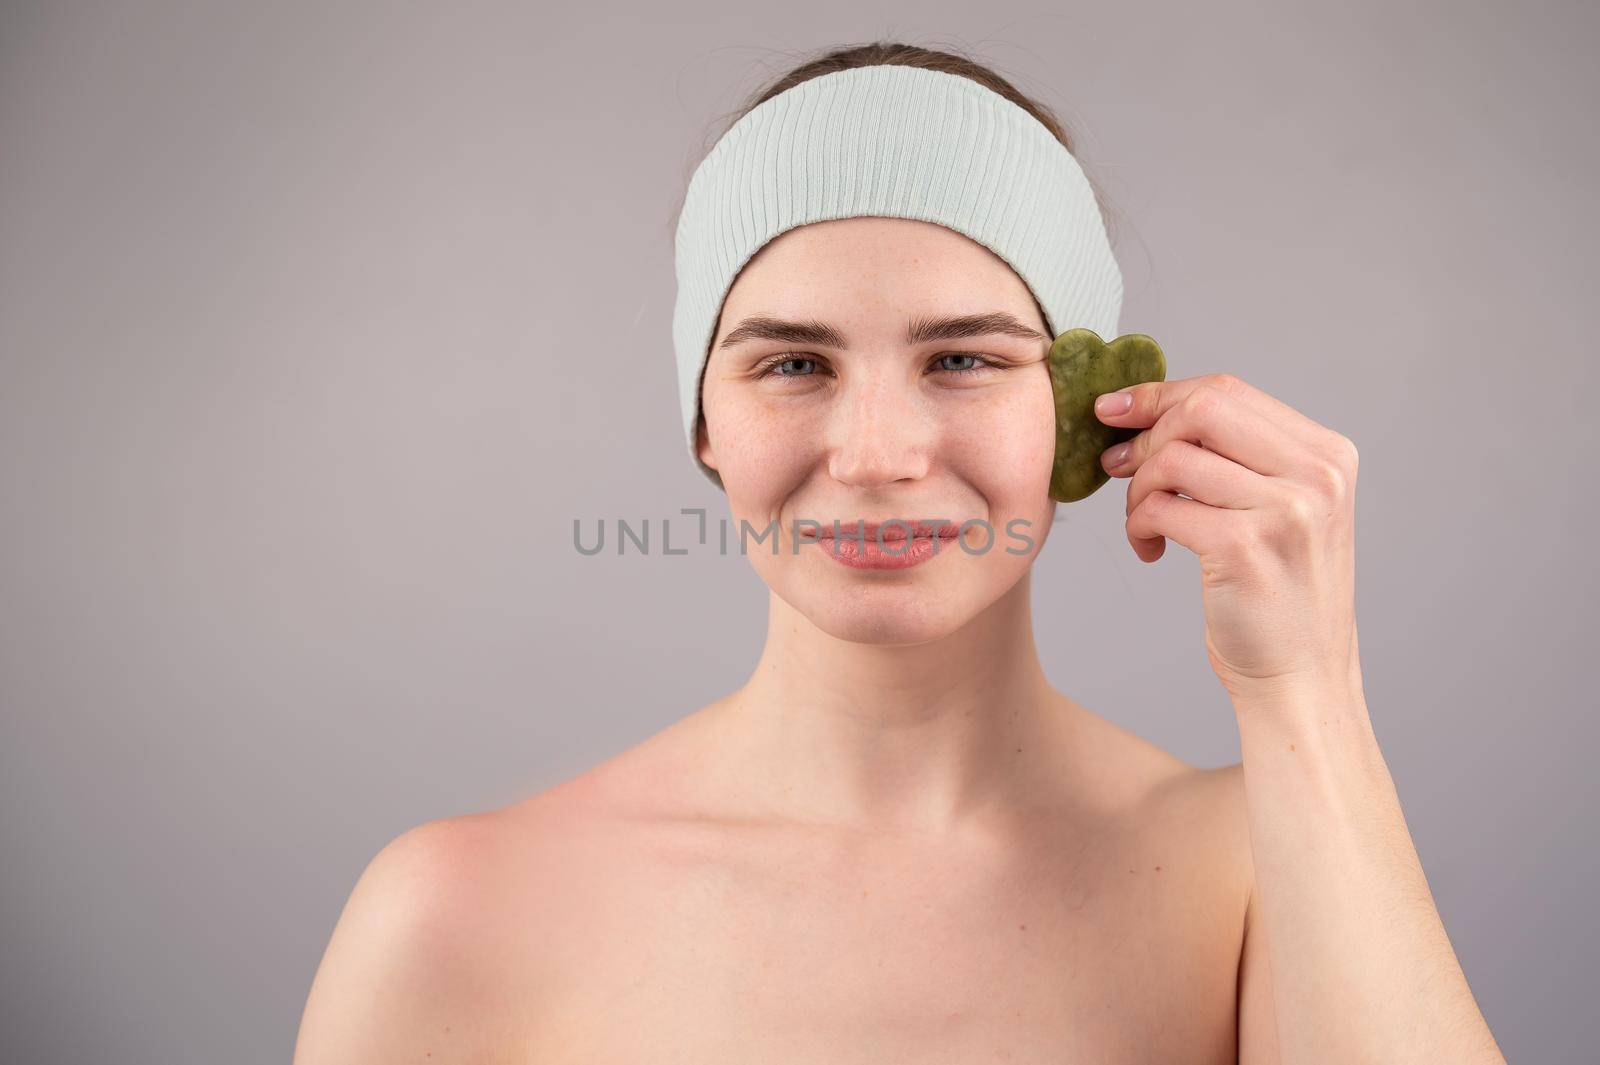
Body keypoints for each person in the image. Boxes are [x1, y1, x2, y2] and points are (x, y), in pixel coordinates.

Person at [293, 42, 1504, 1063]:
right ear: (704, 421)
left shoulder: (1265, 865)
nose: (876, 455)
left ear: (1087, 413)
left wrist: (1306, 694)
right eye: (792, 363)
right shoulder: (456, 914)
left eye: (964, 359)